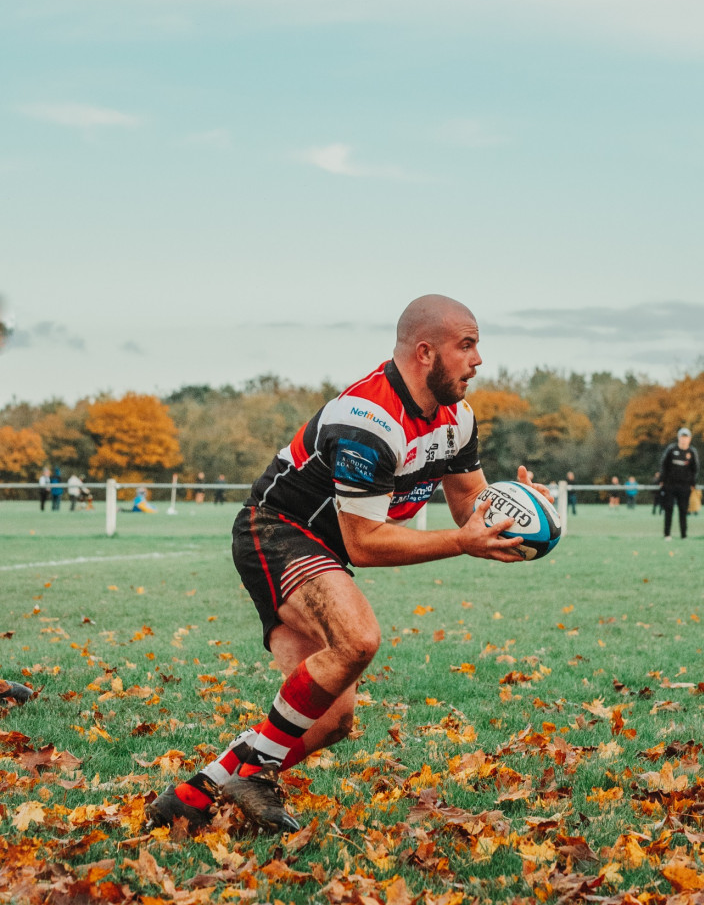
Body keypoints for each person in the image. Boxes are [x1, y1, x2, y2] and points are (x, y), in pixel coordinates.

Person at [148, 294, 550, 834]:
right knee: (358, 640)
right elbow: (364, 543)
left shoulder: (457, 418)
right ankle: (252, 772)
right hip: (277, 531)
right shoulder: (368, 419)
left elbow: (467, 504)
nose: (479, 360)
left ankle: (191, 796)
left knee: (333, 719)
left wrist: (512, 513)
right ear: (426, 351)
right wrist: (462, 542)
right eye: (468, 345)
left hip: (324, 549)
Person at [660, 427, 698, 540]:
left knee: (683, 510)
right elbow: (664, 465)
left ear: (689, 439)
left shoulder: (691, 452)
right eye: (682, 437)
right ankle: (667, 534)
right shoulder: (671, 450)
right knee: (669, 509)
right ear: (678, 438)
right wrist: (662, 480)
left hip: (684, 487)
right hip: (670, 486)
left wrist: (692, 483)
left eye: (686, 438)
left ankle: (684, 535)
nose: (683, 440)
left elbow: (694, 469)